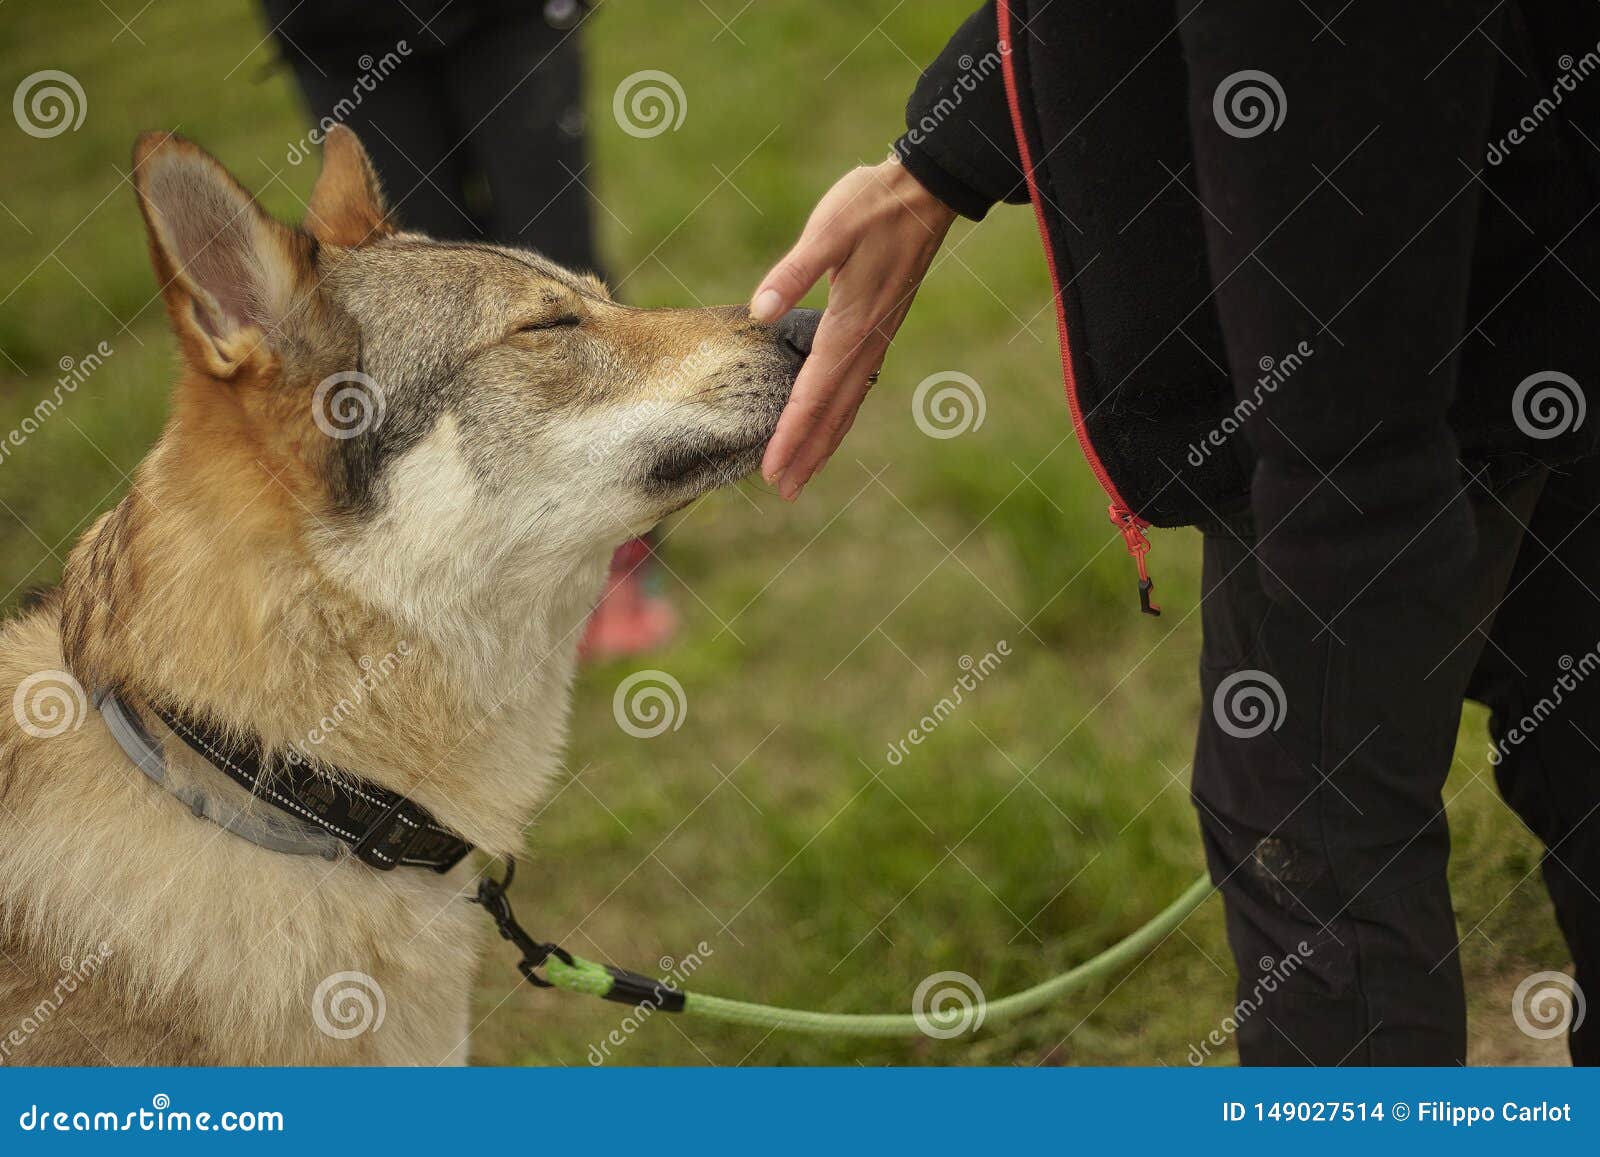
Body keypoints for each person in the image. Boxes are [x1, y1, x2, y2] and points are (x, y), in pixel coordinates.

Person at [750, 0, 1600, 1065]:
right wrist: (940, 161)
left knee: (1318, 859)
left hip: (1367, 378)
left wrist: (1344, 498)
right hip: (1520, 269)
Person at [262, 0, 675, 658]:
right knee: (424, 323)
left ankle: (619, 552)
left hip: (506, 15)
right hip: (341, 26)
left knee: (562, 277)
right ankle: (494, 561)